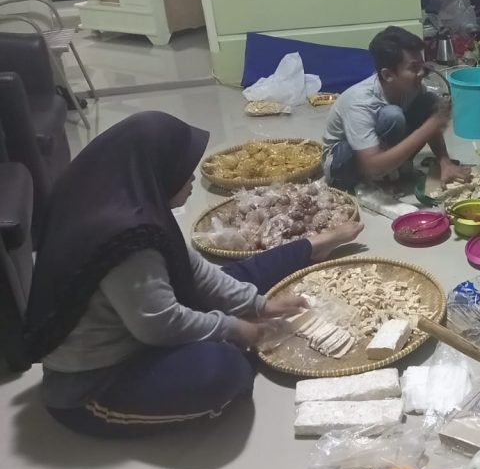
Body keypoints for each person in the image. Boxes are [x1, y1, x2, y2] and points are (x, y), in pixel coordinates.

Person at [22, 112, 365, 438]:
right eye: (184, 172)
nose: (191, 181)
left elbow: (194, 270)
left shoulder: (131, 198)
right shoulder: (126, 237)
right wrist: (234, 328)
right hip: (95, 383)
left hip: (136, 323)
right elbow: (160, 325)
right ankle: (227, 349)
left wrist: (259, 305)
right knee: (225, 370)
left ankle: (312, 245)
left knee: (235, 279)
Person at [323, 26, 471, 190]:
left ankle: (393, 172)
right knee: (392, 115)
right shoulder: (359, 101)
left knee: (428, 101)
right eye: (413, 68)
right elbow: (371, 165)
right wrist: (429, 127)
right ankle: (381, 178)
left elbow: (429, 119)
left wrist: (445, 162)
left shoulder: (412, 88)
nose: (422, 73)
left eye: (422, 65)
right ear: (388, 75)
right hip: (343, 163)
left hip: (379, 151)